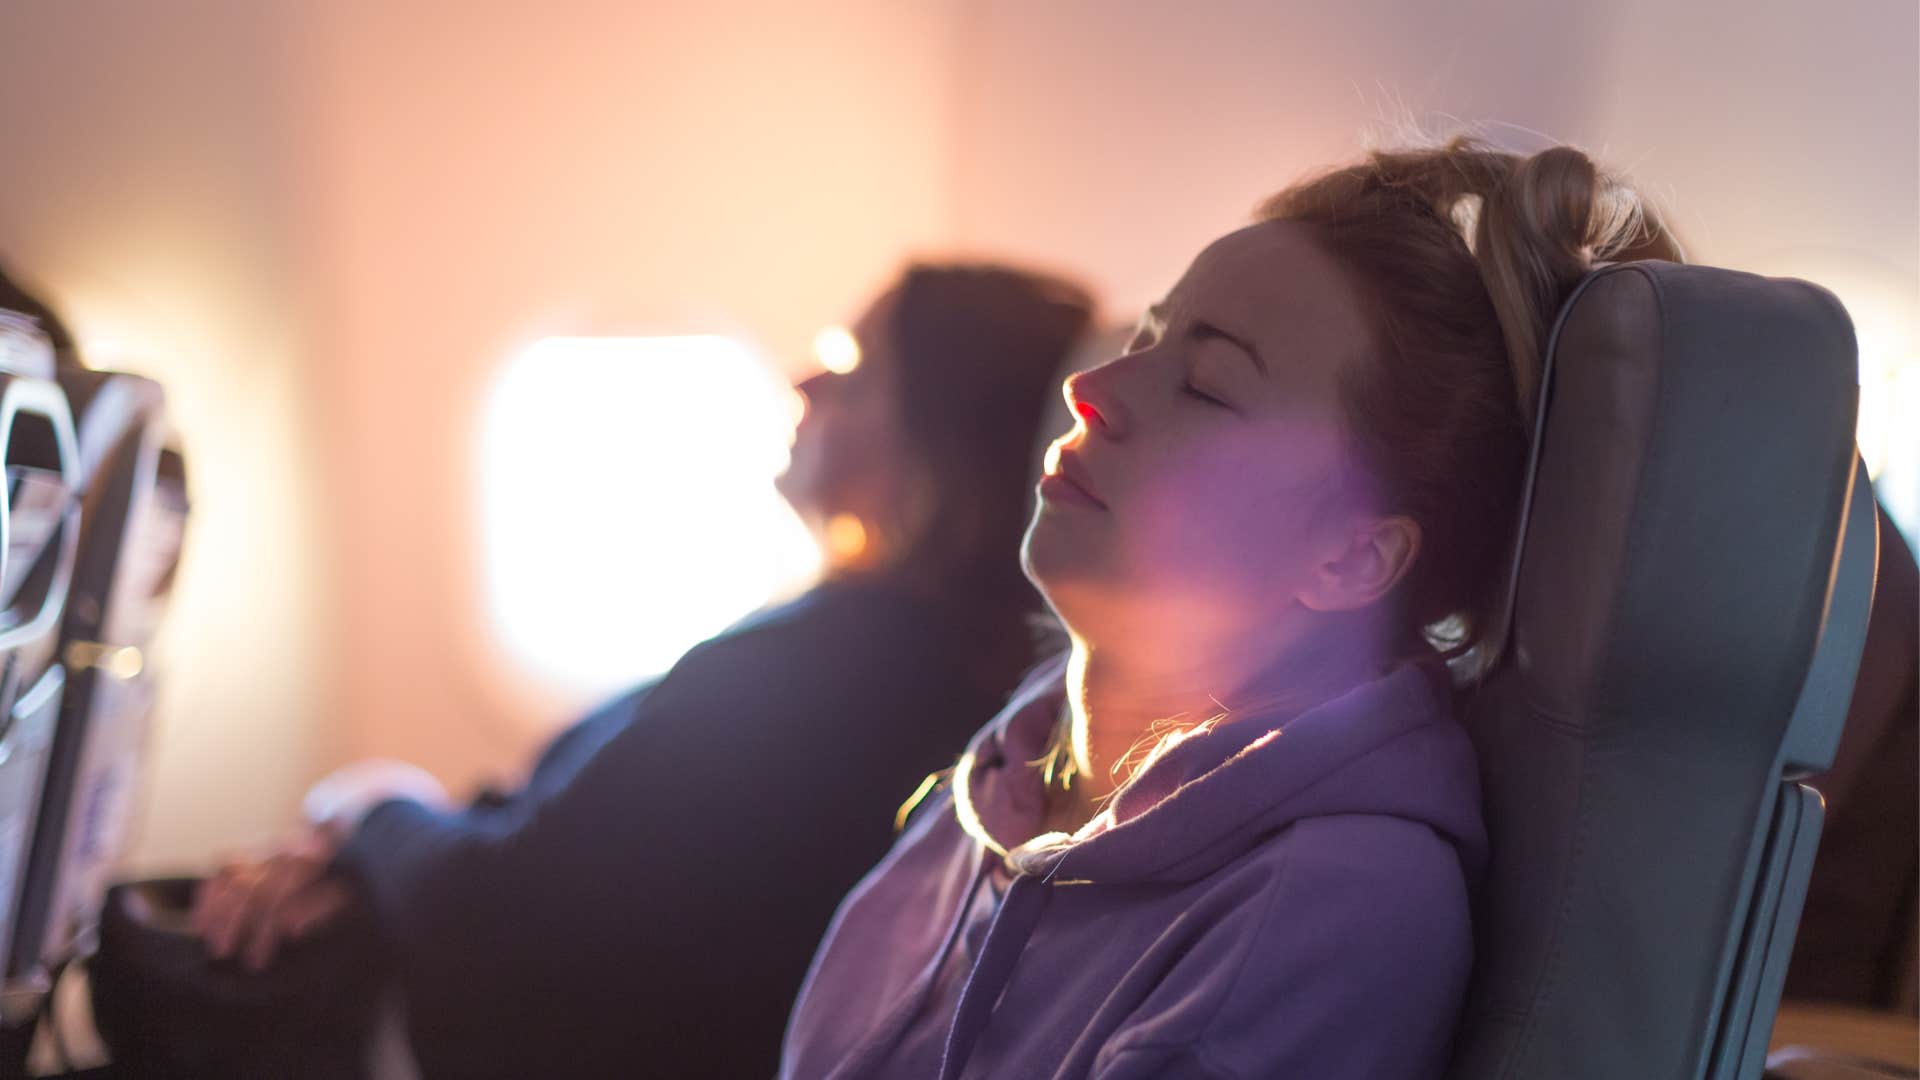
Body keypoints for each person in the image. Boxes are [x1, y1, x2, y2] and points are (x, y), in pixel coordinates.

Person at [781, 138, 1683, 1079]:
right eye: (1146, 340)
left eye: (1207, 388)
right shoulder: (1007, 782)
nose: (1088, 394)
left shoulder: (1331, 911)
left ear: (1350, 556)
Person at [191, 263, 1095, 1078]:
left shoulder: (812, 676)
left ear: (943, 448)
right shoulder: (951, 671)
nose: (803, 379)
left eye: (855, 372)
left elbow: (492, 922)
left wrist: (368, 801)